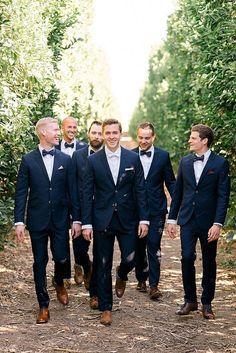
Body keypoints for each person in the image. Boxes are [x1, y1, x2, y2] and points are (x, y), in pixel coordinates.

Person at [82, 118, 149, 325]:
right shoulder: (93, 160)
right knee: (102, 264)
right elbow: (86, 193)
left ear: (120, 134)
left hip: (128, 218)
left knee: (130, 259)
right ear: (103, 135)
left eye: (114, 132)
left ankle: (122, 274)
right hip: (102, 219)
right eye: (107, 133)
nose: (111, 136)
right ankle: (105, 308)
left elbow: (140, 190)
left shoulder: (132, 159)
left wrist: (144, 219)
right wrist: (86, 223)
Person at [14, 117, 81, 324]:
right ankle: (43, 304)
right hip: (37, 220)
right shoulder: (28, 160)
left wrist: (76, 219)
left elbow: (72, 192)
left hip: (60, 219)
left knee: (61, 258)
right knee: (39, 262)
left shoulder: (65, 160)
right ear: (43, 132)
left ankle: (59, 282)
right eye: (54, 129)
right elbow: (21, 192)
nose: (57, 133)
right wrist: (19, 221)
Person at [167, 124, 230, 320]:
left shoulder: (220, 164)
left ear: (204, 140)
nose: (190, 141)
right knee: (186, 257)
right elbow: (177, 194)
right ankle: (190, 300)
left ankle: (207, 303)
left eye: (193, 138)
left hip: (209, 222)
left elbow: (223, 196)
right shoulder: (185, 162)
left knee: (209, 261)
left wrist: (218, 223)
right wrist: (172, 219)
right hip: (187, 219)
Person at [133, 122, 175, 299]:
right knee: (138, 246)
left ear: (153, 137)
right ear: (137, 136)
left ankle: (154, 285)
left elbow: (170, 182)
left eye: (147, 138)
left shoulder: (163, 156)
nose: (143, 141)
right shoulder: (130, 155)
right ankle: (141, 278)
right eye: (141, 137)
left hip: (157, 209)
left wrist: (178, 204)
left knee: (154, 246)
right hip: (135, 210)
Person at [72, 120, 103, 309]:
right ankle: (87, 266)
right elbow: (74, 188)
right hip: (82, 212)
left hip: (101, 213)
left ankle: (95, 294)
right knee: (79, 251)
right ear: (88, 133)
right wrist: (76, 218)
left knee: (100, 254)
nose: (97, 136)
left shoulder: (110, 156)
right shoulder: (77, 156)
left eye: (101, 133)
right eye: (94, 133)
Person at [56, 116, 87, 286]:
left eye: (75, 127)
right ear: (62, 128)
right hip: (60, 200)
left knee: (79, 238)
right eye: (69, 127)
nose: (72, 130)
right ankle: (64, 274)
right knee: (61, 238)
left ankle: (80, 264)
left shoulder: (85, 148)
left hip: (79, 200)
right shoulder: (53, 146)